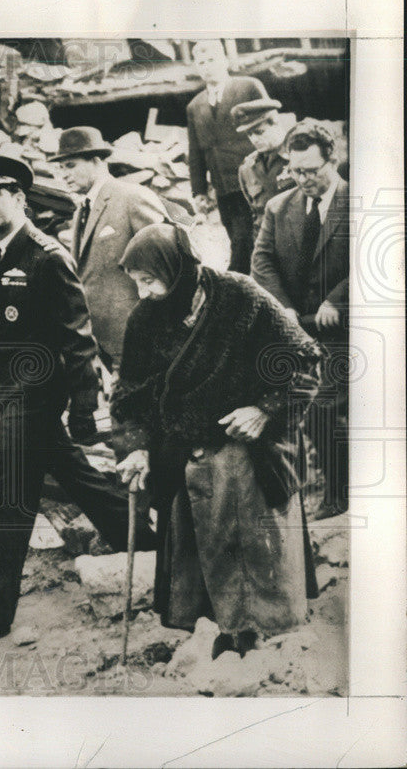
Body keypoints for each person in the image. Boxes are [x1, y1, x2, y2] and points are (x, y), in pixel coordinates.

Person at [0, 154, 155, 645]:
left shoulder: (46, 255)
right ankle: (151, 541)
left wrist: (83, 408)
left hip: (38, 395)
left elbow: (78, 338)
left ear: (19, 198)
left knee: (8, 501)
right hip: (12, 390)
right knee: (77, 476)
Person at [111, 222, 322, 658]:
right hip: (183, 453)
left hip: (245, 450)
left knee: (251, 543)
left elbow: (303, 361)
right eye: (137, 283)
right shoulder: (146, 319)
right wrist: (135, 446)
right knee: (203, 547)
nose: (144, 293)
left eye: (149, 281)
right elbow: (130, 391)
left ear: (178, 269)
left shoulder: (239, 297)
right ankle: (224, 629)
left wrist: (265, 409)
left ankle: (265, 631)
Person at [252, 119, 350, 514]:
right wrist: (283, 309)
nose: (304, 179)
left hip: (348, 327)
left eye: (313, 171)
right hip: (299, 330)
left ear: (333, 159)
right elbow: (261, 261)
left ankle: (340, 494)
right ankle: (326, 489)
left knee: (330, 405)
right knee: (308, 408)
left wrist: (338, 301)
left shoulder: (358, 201)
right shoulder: (279, 207)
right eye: (296, 171)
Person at [50, 126, 169, 370]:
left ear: (96, 161)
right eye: (60, 168)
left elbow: (168, 262)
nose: (64, 174)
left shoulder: (131, 197)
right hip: (102, 342)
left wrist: (159, 328)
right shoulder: (82, 211)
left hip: (140, 338)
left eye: (70, 166)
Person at [186, 39, 269, 274]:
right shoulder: (195, 106)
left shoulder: (248, 87)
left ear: (224, 61)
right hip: (224, 189)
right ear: (196, 67)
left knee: (250, 243)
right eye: (201, 62)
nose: (207, 66)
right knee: (237, 238)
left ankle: (237, 282)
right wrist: (199, 190)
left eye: (212, 60)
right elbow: (195, 151)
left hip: (256, 182)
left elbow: (271, 126)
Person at [232, 98, 297, 240]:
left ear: (275, 123)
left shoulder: (298, 156)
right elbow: (255, 214)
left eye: (259, 132)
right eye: (249, 134)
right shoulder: (247, 168)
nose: (254, 139)